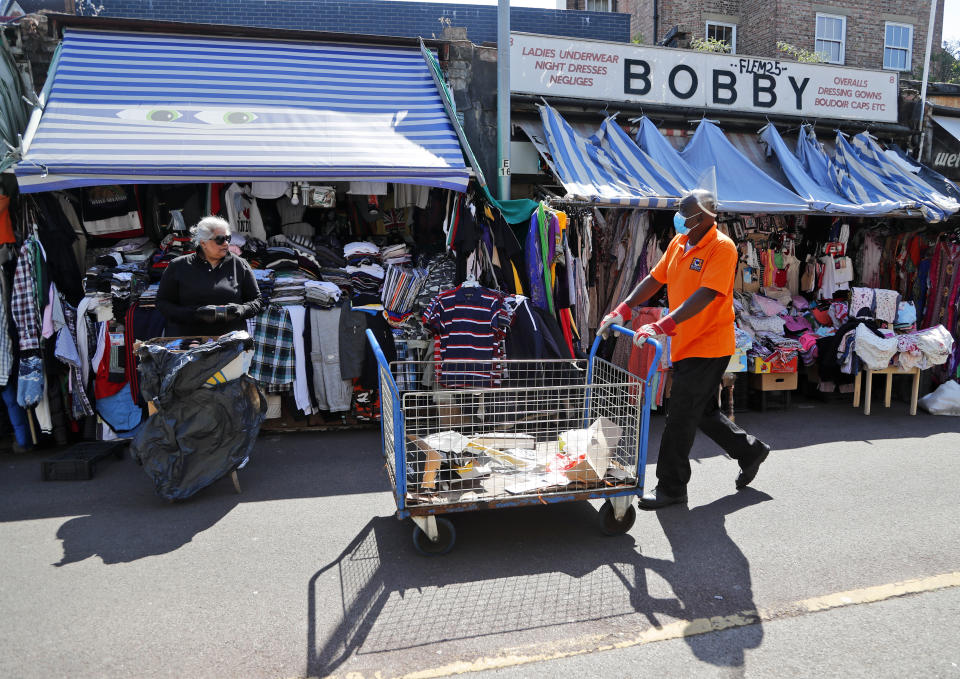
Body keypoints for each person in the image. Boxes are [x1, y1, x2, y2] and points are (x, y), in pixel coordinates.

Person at [598, 189, 770, 510]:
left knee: (679, 414)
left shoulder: (722, 247)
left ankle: (672, 486)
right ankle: (749, 451)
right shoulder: (679, 243)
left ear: (706, 216)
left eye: (685, 212)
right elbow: (654, 278)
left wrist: (662, 325)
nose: (678, 217)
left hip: (709, 344)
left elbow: (706, 294)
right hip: (684, 343)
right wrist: (623, 308)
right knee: (701, 412)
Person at [157, 216, 263, 337]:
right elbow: (163, 303)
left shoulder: (240, 264)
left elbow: (257, 301)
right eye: (220, 239)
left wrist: (240, 310)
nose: (226, 243)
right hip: (189, 343)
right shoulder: (177, 266)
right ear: (203, 242)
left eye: (228, 238)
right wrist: (195, 314)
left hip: (231, 343)